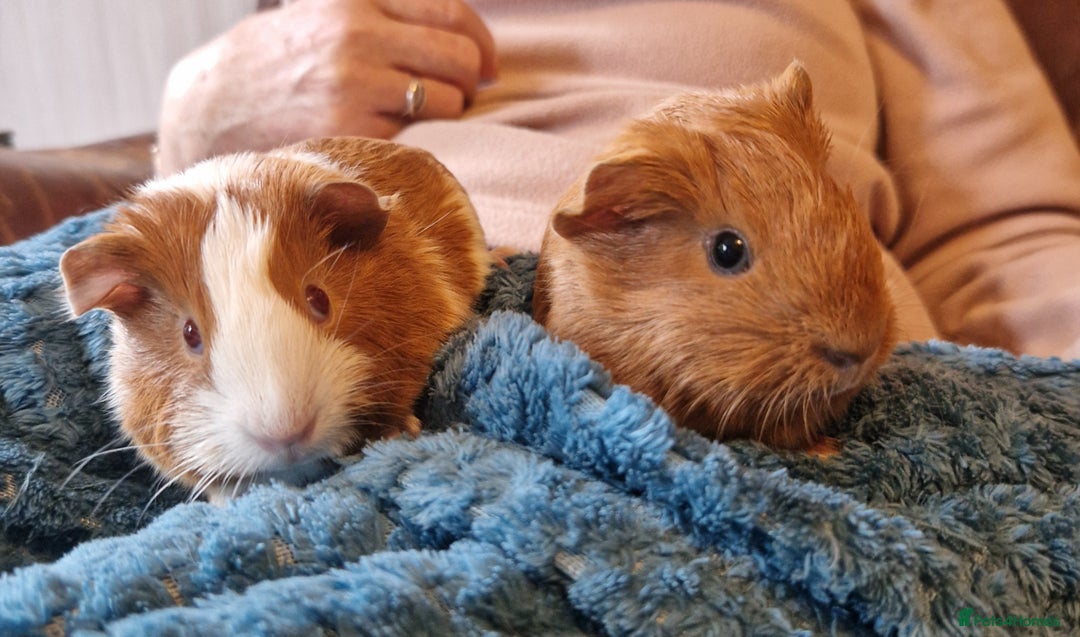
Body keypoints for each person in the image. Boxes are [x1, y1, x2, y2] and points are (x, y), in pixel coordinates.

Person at [156, 0, 1080, 360]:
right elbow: (196, 250)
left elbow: (1010, 235)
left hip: (790, 382)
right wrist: (198, 112)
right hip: (353, 348)